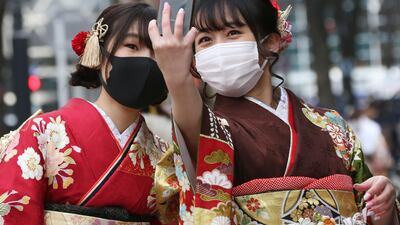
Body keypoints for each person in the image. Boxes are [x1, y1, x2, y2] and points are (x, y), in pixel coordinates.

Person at [148, 0, 400, 224]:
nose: (218, 48)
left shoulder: (331, 124)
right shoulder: (211, 127)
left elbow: (369, 209)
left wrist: (383, 206)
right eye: (205, 40)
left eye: (233, 32)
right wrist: (176, 78)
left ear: (271, 42)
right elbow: (191, 121)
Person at [0, 2, 170, 224]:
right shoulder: (41, 135)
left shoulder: (164, 155)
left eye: (157, 51)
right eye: (131, 45)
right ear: (99, 53)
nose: (147, 59)